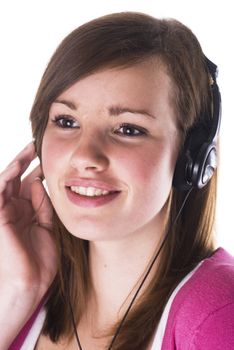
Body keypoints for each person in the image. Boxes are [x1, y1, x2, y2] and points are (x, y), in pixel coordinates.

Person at [0, 11, 233, 350]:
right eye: (66, 121)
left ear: (191, 158)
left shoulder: (217, 316)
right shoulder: (22, 301)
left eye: (128, 129)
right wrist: (19, 289)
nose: (85, 156)